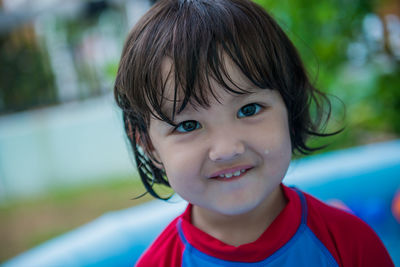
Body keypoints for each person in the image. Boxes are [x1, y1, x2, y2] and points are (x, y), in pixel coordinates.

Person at [113, 0, 394, 266]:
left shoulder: (349, 246)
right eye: (188, 125)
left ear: (290, 104)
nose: (227, 149)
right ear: (148, 145)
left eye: (249, 110)